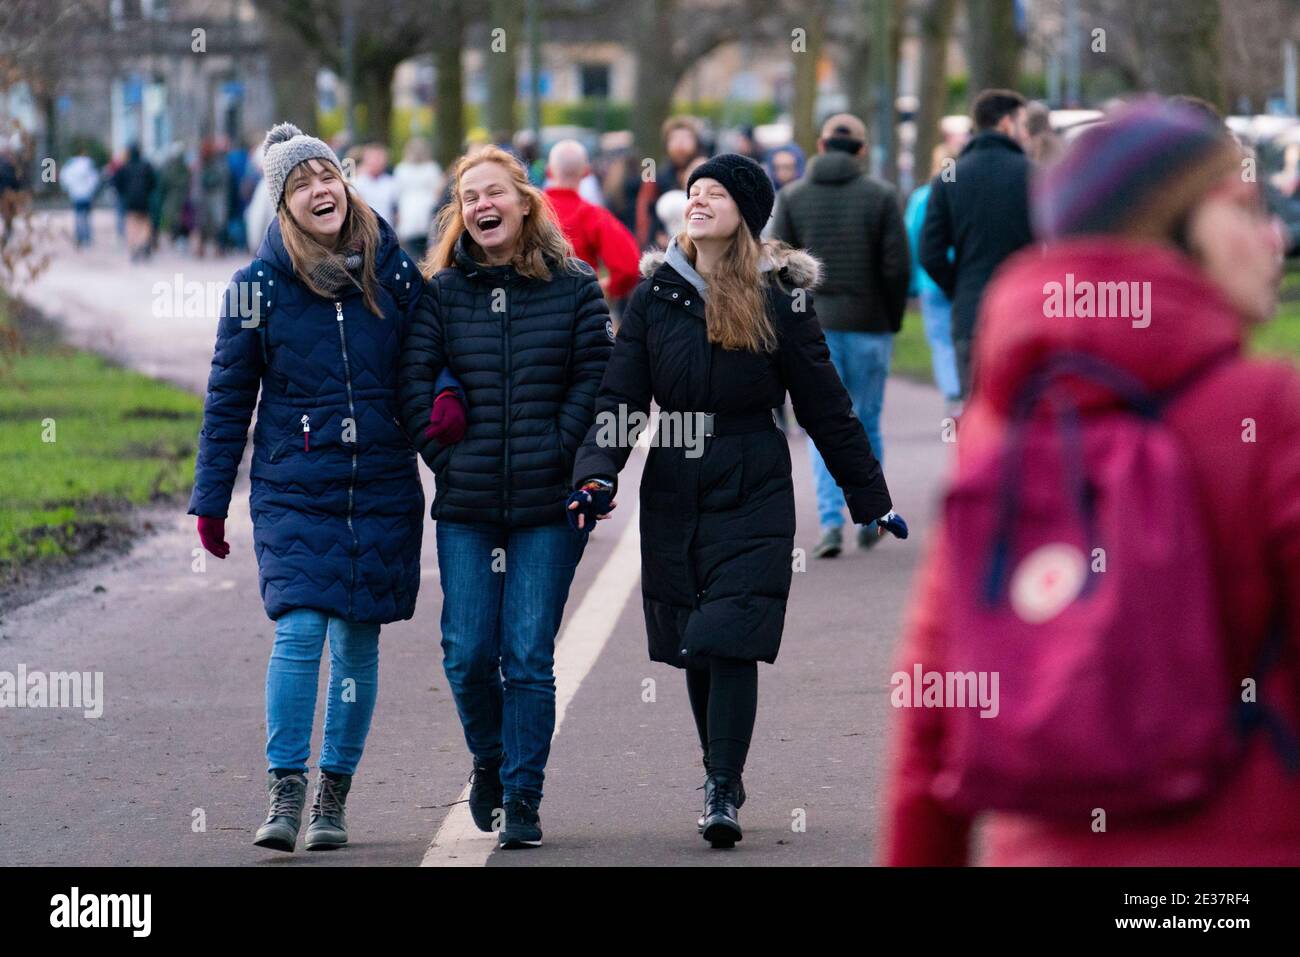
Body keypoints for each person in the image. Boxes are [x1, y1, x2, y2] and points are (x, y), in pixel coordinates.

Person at [884, 99, 1300, 865]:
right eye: (1244, 208)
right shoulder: (1266, 412)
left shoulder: (1006, 414)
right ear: (1171, 228)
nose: (1272, 235)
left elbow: (933, 695)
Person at [569, 153, 907, 849]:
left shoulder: (780, 295)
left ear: (746, 212)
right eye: (694, 190)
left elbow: (826, 404)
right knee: (696, 639)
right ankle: (718, 769)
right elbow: (622, 397)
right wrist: (598, 470)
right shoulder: (657, 293)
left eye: (715, 192)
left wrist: (867, 497)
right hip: (675, 483)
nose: (698, 200)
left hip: (752, 475)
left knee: (732, 634)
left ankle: (721, 783)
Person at [189, 122, 465, 854]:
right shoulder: (256, 288)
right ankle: (286, 787)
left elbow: (428, 349)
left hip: (379, 482)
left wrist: (441, 395)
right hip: (292, 484)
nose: (320, 190)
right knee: (302, 626)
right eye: (301, 182)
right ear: (282, 205)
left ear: (346, 184)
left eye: (327, 177)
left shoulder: (392, 272)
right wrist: (211, 498)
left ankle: (333, 798)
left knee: (357, 638)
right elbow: (228, 398)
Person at [397, 145, 613, 850]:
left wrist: (565, 451)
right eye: (469, 198)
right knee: (465, 652)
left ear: (526, 202)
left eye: (495, 193)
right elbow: (412, 380)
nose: (482, 206)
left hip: (549, 505)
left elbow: (599, 382)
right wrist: (444, 457)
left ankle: (523, 793)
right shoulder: (441, 291)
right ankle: (489, 757)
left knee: (526, 653)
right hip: (466, 498)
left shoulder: (575, 286)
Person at [770, 114, 912, 559]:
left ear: (819, 144)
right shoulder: (883, 196)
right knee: (867, 422)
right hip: (869, 324)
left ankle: (831, 523)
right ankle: (873, 516)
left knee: (822, 426)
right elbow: (896, 266)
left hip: (817, 326)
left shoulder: (792, 196)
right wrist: (890, 318)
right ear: (863, 150)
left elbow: (779, 264)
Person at [919, 89, 1033, 399]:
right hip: (1025, 312)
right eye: (1023, 124)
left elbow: (929, 252)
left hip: (971, 311)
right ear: (1007, 124)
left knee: (977, 412)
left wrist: (959, 286)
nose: (1026, 134)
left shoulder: (950, 177)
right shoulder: (1032, 174)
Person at [543, 139, 641, 301]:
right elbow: (628, 267)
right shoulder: (592, 215)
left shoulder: (527, 211)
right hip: (577, 307)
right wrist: (603, 289)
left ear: (549, 172)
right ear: (587, 172)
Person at [904, 143, 962, 409]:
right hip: (960, 277)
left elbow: (913, 240)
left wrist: (913, 281)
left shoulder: (920, 198)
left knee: (940, 339)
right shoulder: (964, 194)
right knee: (960, 334)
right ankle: (963, 386)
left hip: (929, 280)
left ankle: (952, 390)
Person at [635, 115, 706, 248]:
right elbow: (646, 215)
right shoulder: (657, 177)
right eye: (674, 139)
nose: (680, 144)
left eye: (685, 138)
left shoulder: (706, 171)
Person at [393, 136, 444, 263]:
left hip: (419, 208)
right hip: (411, 209)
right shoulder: (403, 168)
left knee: (425, 244)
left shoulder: (430, 167)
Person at [111, 143, 156, 262]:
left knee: (131, 224)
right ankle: (143, 243)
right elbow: (153, 182)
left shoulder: (125, 167)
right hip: (144, 200)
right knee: (145, 223)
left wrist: (123, 193)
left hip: (130, 200)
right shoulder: (147, 166)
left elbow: (116, 183)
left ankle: (134, 247)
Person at [61, 147, 99, 248]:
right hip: (87, 194)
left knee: (78, 216)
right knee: (86, 217)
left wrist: (69, 189)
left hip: (76, 194)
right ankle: (87, 236)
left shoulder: (71, 165)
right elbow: (94, 179)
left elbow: (65, 178)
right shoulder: (89, 165)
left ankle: (79, 236)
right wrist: (91, 190)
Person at [353, 143, 398, 225]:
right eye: (373, 158)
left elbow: (396, 211)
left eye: (379, 158)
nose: (376, 161)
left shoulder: (391, 183)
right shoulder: (357, 182)